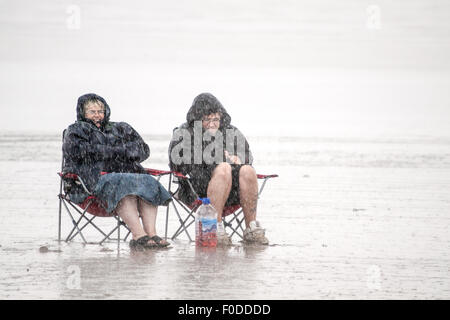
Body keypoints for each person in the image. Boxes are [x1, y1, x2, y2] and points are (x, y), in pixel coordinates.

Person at [63, 93, 171, 250]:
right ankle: (138, 235)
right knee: (122, 183)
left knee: (148, 181)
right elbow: (80, 152)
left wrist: (109, 151)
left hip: (127, 177)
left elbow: (143, 150)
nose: (97, 115)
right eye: (92, 112)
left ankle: (152, 234)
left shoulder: (121, 128)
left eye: (100, 111)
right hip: (92, 183)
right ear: (83, 113)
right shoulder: (76, 130)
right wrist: (120, 151)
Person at [168, 92, 268, 245]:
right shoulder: (184, 133)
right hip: (197, 189)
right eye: (207, 120)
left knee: (248, 170)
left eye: (216, 119)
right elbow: (177, 163)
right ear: (197, 119)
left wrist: (239, 159)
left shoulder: (231, 132)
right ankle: (217, 227)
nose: (212, 124)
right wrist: (214, 158)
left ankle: (251, 228)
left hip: (232, 192)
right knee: (223, 168)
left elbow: (247, 155)